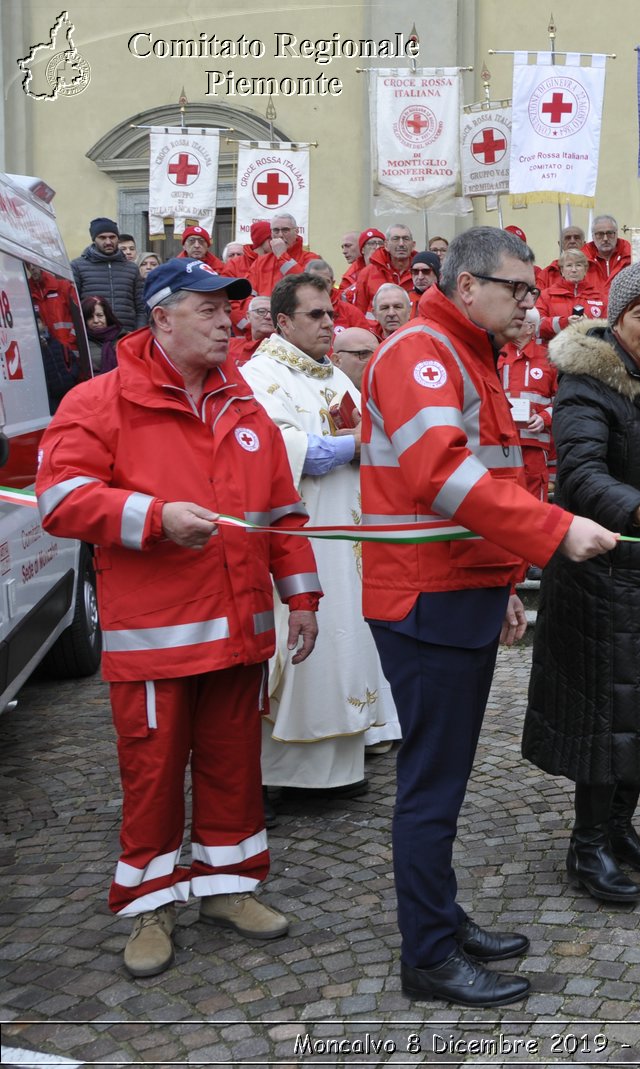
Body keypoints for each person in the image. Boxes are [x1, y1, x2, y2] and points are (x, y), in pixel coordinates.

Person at [36, 257, 321, 978]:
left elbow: (281, 514)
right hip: (156, 640)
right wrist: (154, 517)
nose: (227, 321)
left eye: (229, 310)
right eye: (208, 309)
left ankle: (228, 887)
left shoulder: (245, 404)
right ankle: (150, 906)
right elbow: (59, 500)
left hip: (242, 632)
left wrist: (304, 598)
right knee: (153, 777)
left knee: (234, 768)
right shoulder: (100, 402)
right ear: (161, 318)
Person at [361, 226, 617, 1008]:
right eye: (517, 288)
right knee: (432, 784)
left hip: (456, 586)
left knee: (445, 776)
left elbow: (477, 482)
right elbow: (442, 472)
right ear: (467, 285)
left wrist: (502, 577)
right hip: (425, 597)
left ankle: (439, 915)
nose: (529, 302)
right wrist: (552, 533)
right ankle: (429, 954)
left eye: (532, 290)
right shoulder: (422, 353)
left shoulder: (463, 352)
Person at [524, 262, 640, 908]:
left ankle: (621, 826)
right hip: (599, 577)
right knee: (607, 717)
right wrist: (638, 509)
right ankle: (588, 843)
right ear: (616, 316)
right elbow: (579, 472)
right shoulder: (587, 382)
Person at [242, 273, 401, 797]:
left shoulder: (332, 376)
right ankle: (289, 775)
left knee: (347, 640)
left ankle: (344, 764)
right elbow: (281, 451)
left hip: (349, 535)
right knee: (311, 644)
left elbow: (372, 431)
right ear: (283, 321)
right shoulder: (262, 376)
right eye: (316, 315)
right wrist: (352, 447)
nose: (329, 324)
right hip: (301, 537)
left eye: (331, 313)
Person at [498, 311, 559, 498]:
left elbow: (563, 399)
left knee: (534, 503)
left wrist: (544, 417)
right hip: (502, 443)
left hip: (534, 443)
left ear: (531, 328)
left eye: (517, 321)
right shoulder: (496, 354)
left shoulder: (549, 358)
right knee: (504, 499)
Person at [73, 217, 146, 332]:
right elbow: (73, 305)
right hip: (92, 337)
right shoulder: (77, 266)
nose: (108, 242)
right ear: (94, 239)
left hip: (125, 336)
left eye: (112, 237)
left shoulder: (131, 268)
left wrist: (138, 332)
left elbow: (141, 308)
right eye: (102, 237)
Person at [537, 249, 606, 341]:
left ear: (585, 270)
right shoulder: (546, 296)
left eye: (578, 265)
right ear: (562, 270)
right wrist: (564, 323)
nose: (574, 270)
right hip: (554, 353)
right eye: (569, 265)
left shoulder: (600, 298)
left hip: (589, 352)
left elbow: (609, 330)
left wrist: (588, 325)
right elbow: (536, 326)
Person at [246, 213, 320, 298]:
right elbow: (247, 296)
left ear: (296, 231)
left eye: (285, 230)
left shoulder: (312, 259)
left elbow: (306, 287)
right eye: (276, 230)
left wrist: (282, 256)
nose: (280, 235)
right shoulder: (260, 262)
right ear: (271, 233)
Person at [353, 225, 417, 318]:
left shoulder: (422, 272)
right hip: (376, 332)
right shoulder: (367, 273)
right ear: (386, 245)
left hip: (412, 331)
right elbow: (359, 314)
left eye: (406, 239)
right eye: (396, 239)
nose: (401, 244)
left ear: (413, 245)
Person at [584, 215, 633, 288]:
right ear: (593, 236)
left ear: (616, 234)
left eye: (610, 233)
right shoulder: (582, 259)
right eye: (600, 234)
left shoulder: (631, 256)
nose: (605, 238)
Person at [228, 295, 274, 366]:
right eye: (261, 311)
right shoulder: (229, 345)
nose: (268, 316)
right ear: (248, 316)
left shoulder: (286, 348)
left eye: (272, 313)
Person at [80, 295, 122, 373]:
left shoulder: (124, 338)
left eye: (100, 315)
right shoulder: (81, 342)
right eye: (90, 317)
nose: (96, 320)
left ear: (107, 316)